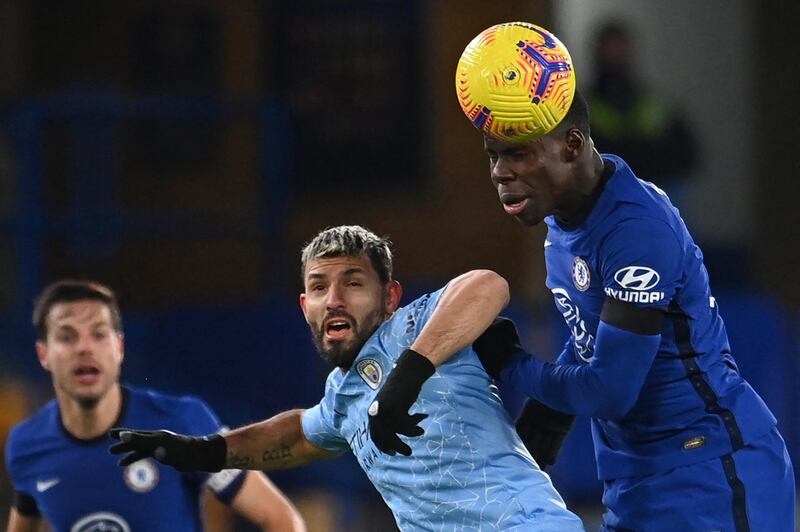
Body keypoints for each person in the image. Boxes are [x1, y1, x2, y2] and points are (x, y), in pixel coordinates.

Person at [110, 225, 585, 531]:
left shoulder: (415, 327)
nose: (334, 299)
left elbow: (488, 284)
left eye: (353, 283)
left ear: (391, 296)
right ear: (304, 307)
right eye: (319, 286)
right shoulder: (342, 397)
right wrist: (203, 451)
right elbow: (299, 434)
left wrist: (408, 375)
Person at [470, 88, 796, 530]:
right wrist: (553, 409)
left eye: (518, 155)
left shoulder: (636, 229)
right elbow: (595, 336)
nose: (500, 173)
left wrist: (511, 364)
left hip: (709, 472)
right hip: (637, 478)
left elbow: (611, 390)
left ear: (572, 146)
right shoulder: (566, 218)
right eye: (493, 156)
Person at [4, 279, 306, 532]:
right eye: (67, 337)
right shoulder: (26, 445)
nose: (84, 347)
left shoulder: (181, 422)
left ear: (119, 347)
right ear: (43, 354)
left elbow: (281, 520)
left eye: (98, 334)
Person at [586, 20, 697, 209]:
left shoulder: (654, 105)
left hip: (655, 190)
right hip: (604, 197)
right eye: (609, 48)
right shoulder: (585, 107)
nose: (615, 54)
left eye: (619, 47)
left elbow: (689, 155)